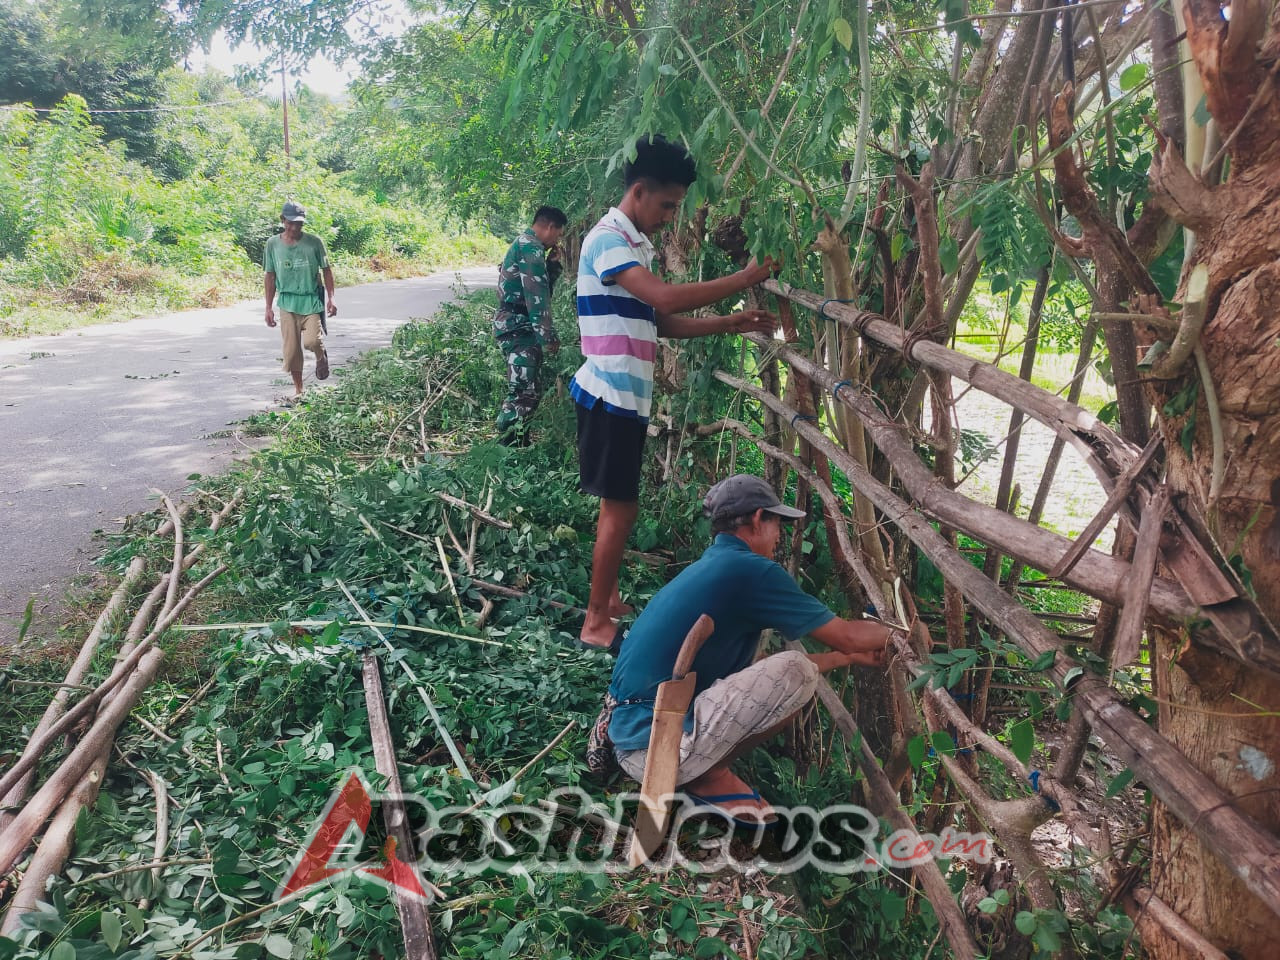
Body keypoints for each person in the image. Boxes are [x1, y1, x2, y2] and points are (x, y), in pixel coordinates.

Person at [573, 135, 778, 650]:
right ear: (639, 192)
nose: (669, 217)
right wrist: (744, 278)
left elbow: (658, 321)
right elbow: (663, 298)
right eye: (667, 206)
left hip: (624, 397)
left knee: (618, 506)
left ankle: (608, 599)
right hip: (610, 394)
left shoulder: (633, 245)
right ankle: (595, 623)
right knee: (621, 509)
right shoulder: (608, 240)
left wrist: (729, 322)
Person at [598, 474, 892, 825]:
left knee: (788, 669)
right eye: (777, 523)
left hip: (629, 739)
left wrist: (848, 659)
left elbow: (758, 670)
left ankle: (703, 770)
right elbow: (848, 636)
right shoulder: (751, 570)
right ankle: (707, 776)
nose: (780, 535)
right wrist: (902, 634)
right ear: (757, 518)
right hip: (657, 752)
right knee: (797, 672)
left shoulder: (716, 565)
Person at [494, 205, 568, 445]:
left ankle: (519, 444)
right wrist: (549, 337)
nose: (557, 241)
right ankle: (507, 448)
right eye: (558, 234)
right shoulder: (530, 246)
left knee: (530, 389)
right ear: (550, 227)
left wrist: (552, 266)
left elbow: (538, 286)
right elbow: (537, 298)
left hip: (519, 326)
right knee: (522, 391)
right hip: (518, 327)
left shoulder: (527, 245)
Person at [264, 200, 337, 401]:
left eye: (299, 223)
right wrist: (268, 307)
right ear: (283, 220)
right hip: (287, 302)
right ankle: (299, 391)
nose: (295, 228)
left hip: (310, 299)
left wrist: (331, 299)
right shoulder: (272, 244)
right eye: (291, 223)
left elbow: (327, 271)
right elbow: (270, 276)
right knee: (291, 352)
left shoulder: (314, 242)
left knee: (312, 341)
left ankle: (321, 356)